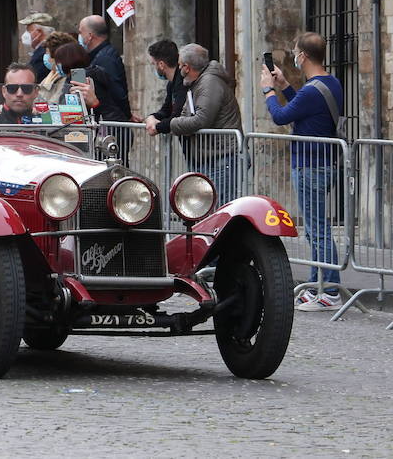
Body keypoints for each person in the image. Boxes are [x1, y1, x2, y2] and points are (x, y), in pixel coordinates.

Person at [259, 31, 344, 310]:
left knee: (318, 230)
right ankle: (314, 286)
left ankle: (329, 291)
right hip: (324, 163)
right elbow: (305, 111)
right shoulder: (330, 83)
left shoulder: (311, 90)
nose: (294, 56)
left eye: (296, 52)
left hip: (310, 165)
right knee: (315, 229)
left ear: (303, 56)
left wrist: (269, 91)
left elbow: (282, 116)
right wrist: (284, 86)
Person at [156, 44, 242, 202]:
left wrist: (170, 125)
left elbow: (201, 119)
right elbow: (185, 112)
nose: (179, 70)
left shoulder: (209, 82)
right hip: (209, 156)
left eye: (180, 65)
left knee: (219, 208)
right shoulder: (195, 83)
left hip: (221, 157)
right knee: (204, 208)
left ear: (187, 67)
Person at [78, 14, 128, 112]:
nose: (79, 36)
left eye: (81, 32)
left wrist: (126, 115)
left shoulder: (105, 59)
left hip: (109, 118)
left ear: (90, 36)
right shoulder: (98, 55)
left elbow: (117, 92)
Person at [144, 39, 185, 138]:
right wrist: (152, 117)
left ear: (161, 65)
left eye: (154, 64)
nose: (154, 67)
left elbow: (177, 116)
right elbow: (166, 109)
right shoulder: (171, 84)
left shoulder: (183, 82)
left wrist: (157, 127)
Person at [35, 31, 77, 103]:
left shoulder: (69, 79)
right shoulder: (52, 74)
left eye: (47, 53)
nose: (46, 57)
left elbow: (55, 104)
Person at [19, 12, 55, 82]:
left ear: (39, 32)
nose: (25, 34)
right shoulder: (42, 50)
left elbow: (33, 79)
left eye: (29, 30)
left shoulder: (44, 52)